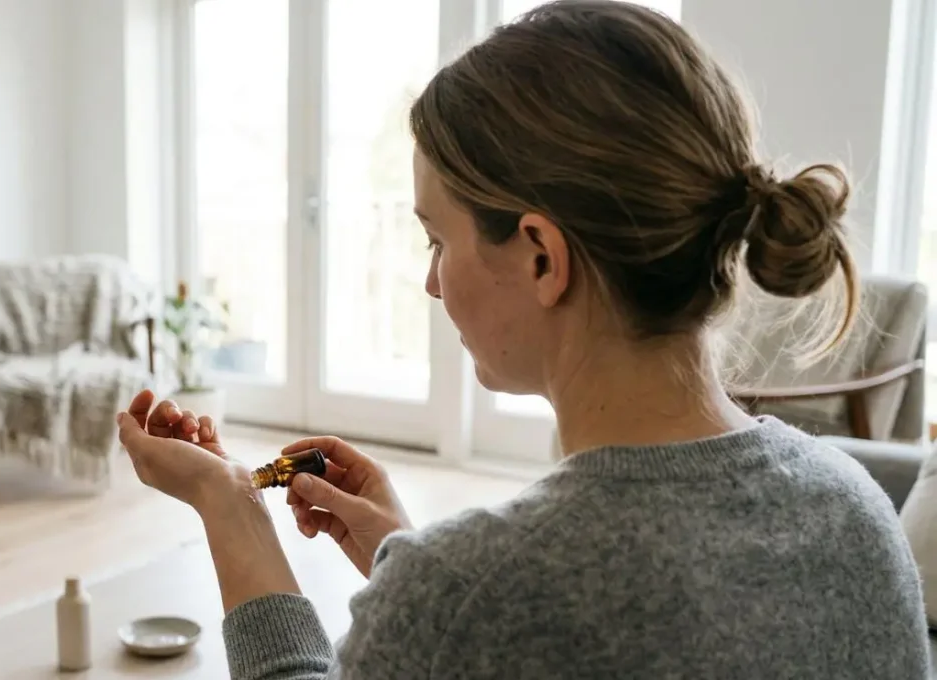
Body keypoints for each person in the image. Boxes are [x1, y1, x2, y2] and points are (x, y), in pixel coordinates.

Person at [114, 1, 931, 677]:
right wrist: (408, 556)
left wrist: (232, 510)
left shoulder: (475, 593)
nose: (433, 284)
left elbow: (512, 617)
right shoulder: (855, 511)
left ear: (543, 256)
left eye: (437, 240)